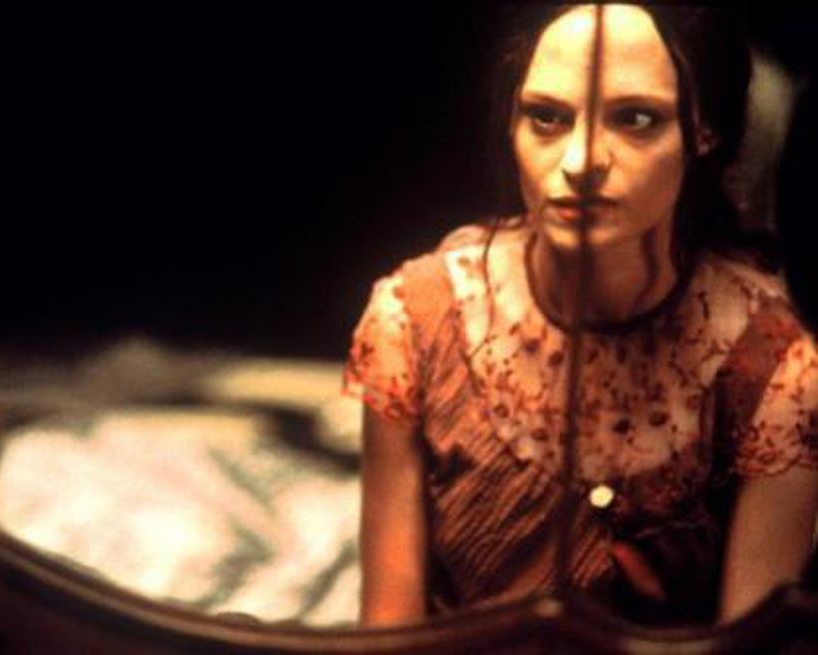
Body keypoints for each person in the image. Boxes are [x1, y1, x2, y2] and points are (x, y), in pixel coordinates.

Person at [344, 3, 818, 627]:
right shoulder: (414, 320)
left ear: (704, 131)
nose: (579, 162)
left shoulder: (774, 368)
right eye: (546, 117)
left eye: (635, 119)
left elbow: (752, 642)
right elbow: (388, 633)